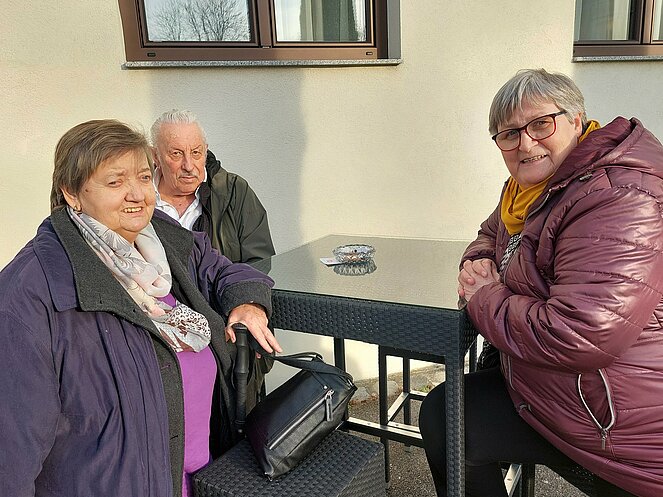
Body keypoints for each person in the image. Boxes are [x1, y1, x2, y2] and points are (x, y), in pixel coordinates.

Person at [0, 119, 283, 497]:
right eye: (115, 182)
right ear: (72, 192)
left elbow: (221, 269)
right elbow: (11, 454)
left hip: (203, 479)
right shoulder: (31, 293)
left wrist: (247, 302)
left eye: (144, 178)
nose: (137, 194)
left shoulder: (162, 237)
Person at [419, 69, 663, 497]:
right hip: (553, 388)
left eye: (540, 124)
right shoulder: (531, 189)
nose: (526, 144)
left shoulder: (616, 196)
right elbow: (490, 233)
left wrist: (484, 294)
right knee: (446, 415)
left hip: (616, 420)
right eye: (509, 134)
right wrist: (478, 261)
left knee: (449, 419)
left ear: (576, 119)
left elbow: (578, 335)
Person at [150, 109, 275, 264]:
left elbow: (260, 263)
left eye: (196, 152)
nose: (188, 166)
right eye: (176, 154)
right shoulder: (137, 198)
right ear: (155, 156)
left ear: (205, 151)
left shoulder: (234, 191)